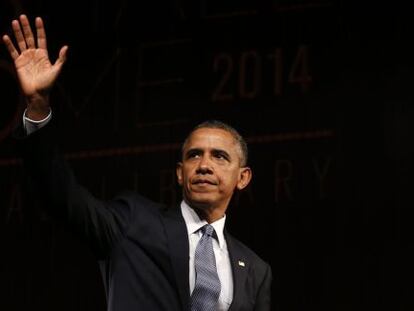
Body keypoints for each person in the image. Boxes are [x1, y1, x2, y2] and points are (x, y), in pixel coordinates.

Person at [3, 15, 272, 311]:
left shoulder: (255, 271)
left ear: (243, 177)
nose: (204, 165)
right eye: (194, 155)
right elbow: (62, 196)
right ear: (180, 173)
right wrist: (38, 108)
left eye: (219, 156)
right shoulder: (134, 222)